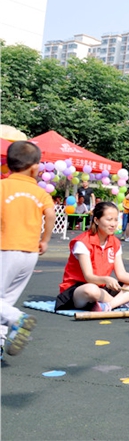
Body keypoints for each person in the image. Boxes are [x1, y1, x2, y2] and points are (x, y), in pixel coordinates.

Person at [1, 141, 55, 357]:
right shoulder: (40, 193)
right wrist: (45, 240)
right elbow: (50, 214)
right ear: (35, 168)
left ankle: (18, 319)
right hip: (30, 253)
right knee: (6, 301)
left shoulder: (3, 187)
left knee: (4, 304)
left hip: (5, 249)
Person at [56, 202, 129, 312]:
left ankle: (110, 305)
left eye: (116, 220)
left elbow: (122, 275)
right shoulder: (82, 242)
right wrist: (106, 279)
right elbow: (88, 277)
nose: (113, 224)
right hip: (80, 288)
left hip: (103, 287)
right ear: (96, 220)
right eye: (109, 220)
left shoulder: (115, 243)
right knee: (91, 290)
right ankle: (124, 302)